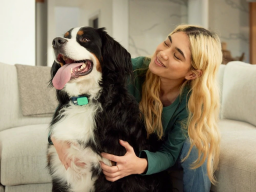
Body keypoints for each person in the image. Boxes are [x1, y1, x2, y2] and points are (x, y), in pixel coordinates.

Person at [50, 24, 222, 192]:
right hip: (136, 142)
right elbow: (78, 98)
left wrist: (139, 165)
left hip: (167, 154)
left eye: (177, 56)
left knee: (199, 145)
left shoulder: (193, 100)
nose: (163, 54)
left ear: (192, 73)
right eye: (167, 43)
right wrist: (56, 137)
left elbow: (170, 152)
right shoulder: (130, 69)